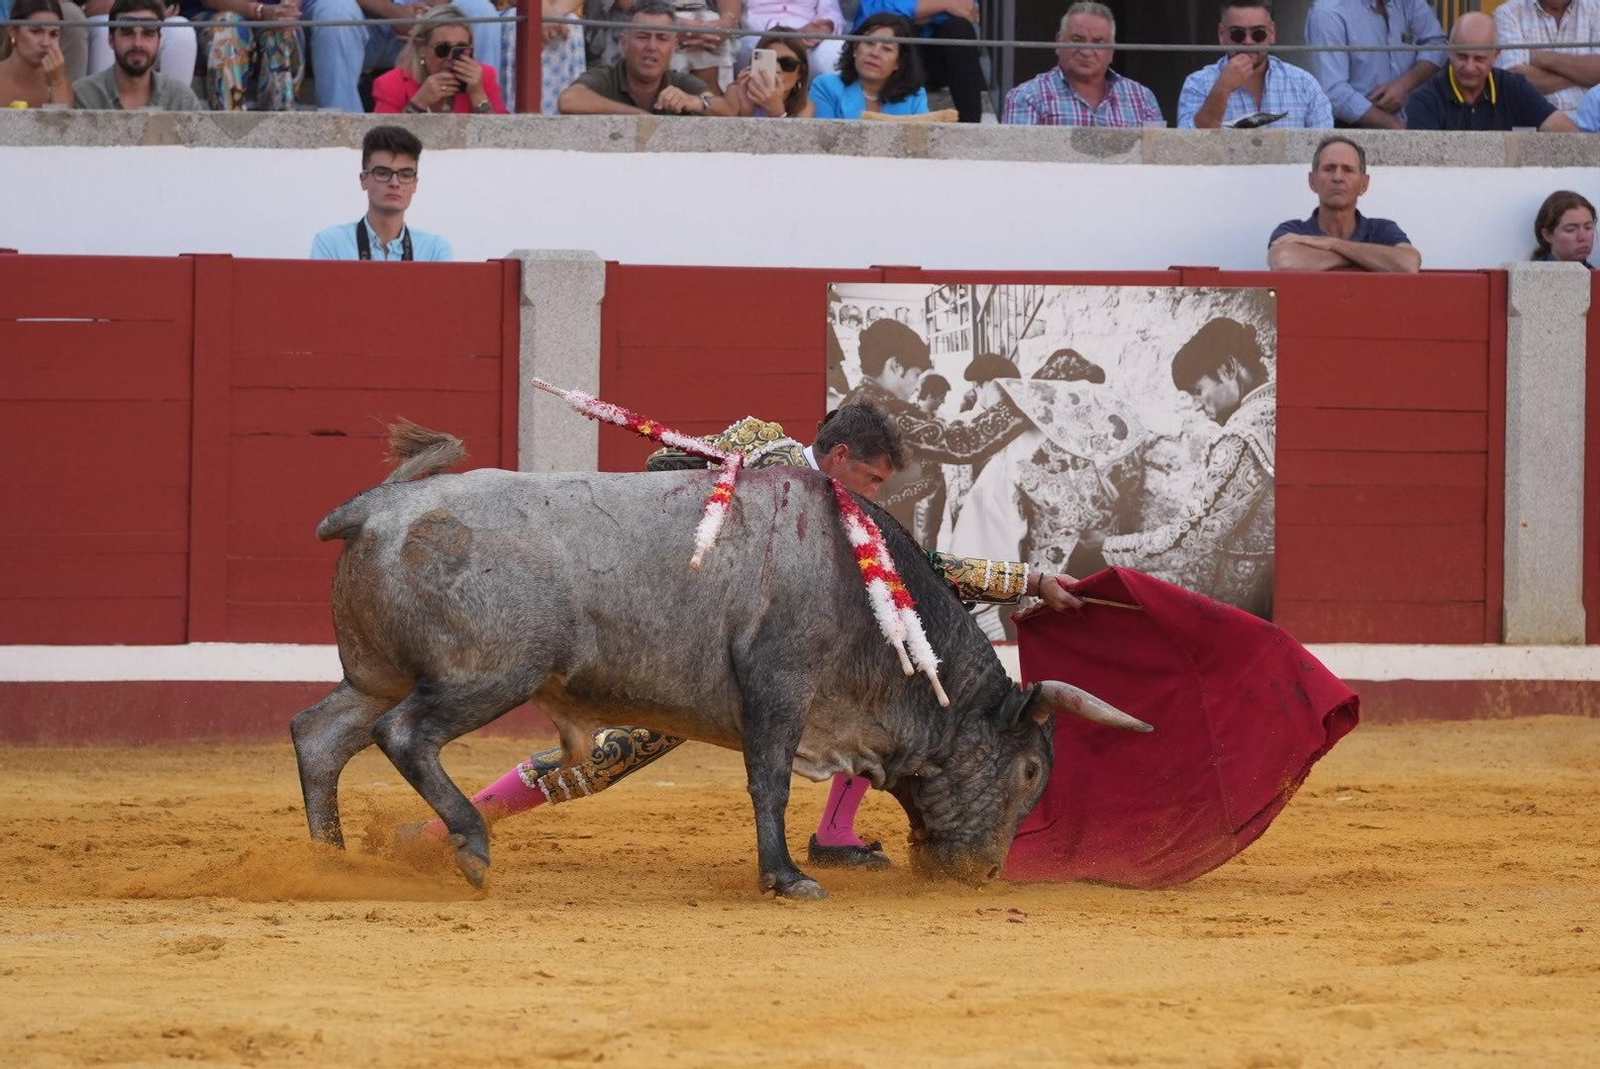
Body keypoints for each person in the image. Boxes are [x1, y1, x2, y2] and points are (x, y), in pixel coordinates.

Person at [407, 402, 1087, 870]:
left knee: (888, 692)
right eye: (872, 479)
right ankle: (449, 824)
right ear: (841, 456)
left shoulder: (844, 516)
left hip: (759, 649)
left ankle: (835, 830)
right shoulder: (761, 452)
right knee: (613, 752)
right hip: (691, 645)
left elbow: (927, 569)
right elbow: (656, 483)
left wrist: (1024, 578)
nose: (876, 496)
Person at [1095, 317, 1276, 620]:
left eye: (1197, 389)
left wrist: (1105, 546)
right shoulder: (1279, 409)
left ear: (1228, 369)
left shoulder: (1241, 436)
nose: (1195, 405)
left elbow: (1186, 542)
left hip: (1238, 610)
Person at [299, 0, 504, 114]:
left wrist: (431, 17)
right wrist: (394, 12)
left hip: (429, 20)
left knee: (482, 10)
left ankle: (479, 90)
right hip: (367, 21)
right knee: (335, 10)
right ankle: (342, 124)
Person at [1267, 136, 1420, 273]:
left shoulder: (1382, 229)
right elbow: (1282, 260)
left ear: (1364, 184)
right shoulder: (1293, 230)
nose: (1338, 177)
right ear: (1312, 181)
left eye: (1348, 170)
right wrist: (1366, 258)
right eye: (1329, 169)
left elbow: (1409, 263)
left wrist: (1331, 243)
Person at [1406, 12, 1578, 131]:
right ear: (1448, 51)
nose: (1469, 66)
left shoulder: (1515, 87)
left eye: (1479, 59)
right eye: (1462, 56)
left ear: (1496, 55)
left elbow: (1563, 130)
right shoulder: (1424, 100)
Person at [1002, 2, 1163, 127]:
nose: (1086, 51)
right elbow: (1020, 167)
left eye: (1098, 43)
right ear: (1058, 43)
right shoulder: (1027, 97)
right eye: (1077, 40)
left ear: (1112, 51)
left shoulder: (1142, 99)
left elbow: (1155, 161)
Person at [558, 1, 734, 115]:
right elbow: (569, 100)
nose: (652, 46)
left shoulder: (679, 81)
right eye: (642, 36)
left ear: (674, 46)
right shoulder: (607, 76)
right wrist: (637, 115)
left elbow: (726, 110)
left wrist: (695, 102)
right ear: (624, 43)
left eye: (662, 38)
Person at [1178, 0, 1333, 129]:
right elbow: (1188, 146)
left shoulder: (1305, 84)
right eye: (1237, 34)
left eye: (1258, 33)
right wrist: (1223, 88)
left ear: (1272, 33)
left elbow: (1325, 148)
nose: (1248, 41)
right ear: (1222, 35)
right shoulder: (1197, 83)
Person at [310, 125, 454, 262]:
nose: (394, 183)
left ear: (415, 184)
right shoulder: (331, 244)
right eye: (383, 173)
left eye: (405, 174)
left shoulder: (435, 250)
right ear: (363, 179)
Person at [1303, 0, 1446, 129]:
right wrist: (1395, 126)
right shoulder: (1328, 11)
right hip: (1355, 130)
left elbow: (1437, 44)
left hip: (1418, 119)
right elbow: (1333, 92)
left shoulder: (1409, 3)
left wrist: (1405, 84)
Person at [854, 0, 984, 122]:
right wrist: (945, 4)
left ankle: (971, 128)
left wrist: (920, 11)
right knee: (901, 25)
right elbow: (875, 12)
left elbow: (968, 10)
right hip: (889, 58)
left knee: (960, 28)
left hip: (933, 60)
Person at [372, 4, 506, 113]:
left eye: (460, 49)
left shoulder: (484, 77)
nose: (450, 58)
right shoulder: (390, 84)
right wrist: (419, 103)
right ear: (421, 48)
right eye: (442, 49)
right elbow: (385, 141)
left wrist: (478, 95)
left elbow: (503, 140)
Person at [72, 0, 202, 108]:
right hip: (97, 13)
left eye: (148, 33)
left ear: (159, 40)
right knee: (104, 26)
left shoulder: (184, 98)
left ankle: (169, 107)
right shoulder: (82, 95)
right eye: (127, 32)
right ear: (110, 40)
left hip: (163, 13)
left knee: (182, 31)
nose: (137, 44)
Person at [184, 0, 304, 111]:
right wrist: (259, 11)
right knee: (227, 29)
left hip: (270, 13)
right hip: (215, 13)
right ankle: (229, 121)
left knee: (284, 32)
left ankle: (282, 121)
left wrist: (287, 9)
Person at [809, 11, 927, 119]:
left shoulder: (914, 97)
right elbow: (824, 139)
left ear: (899, 62)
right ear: (855, 48)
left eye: (886, 49)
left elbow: (921, 140)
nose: (875, 53)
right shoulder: (825, 87)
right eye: (869, 43)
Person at [1494, 0, 1600, 118]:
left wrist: (1543, 58)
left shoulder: (1596, 8)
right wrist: (1585, 75)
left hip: (1593, 124)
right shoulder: (1508, 13)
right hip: (1534, 125)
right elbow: (1512, 80)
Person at [85, 0, 196, 87]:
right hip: (105, 15)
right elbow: (96, 7)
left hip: (158, 15)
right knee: (106, 28)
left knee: (181, 30)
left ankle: (174, 110)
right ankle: (102, 106)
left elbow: (173, 7)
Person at [739, 0, 844, 82]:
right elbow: (734, 12)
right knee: (752, 48)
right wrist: (782, 36)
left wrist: (822, 28)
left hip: (807, 43)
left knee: (836, 51)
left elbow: (832, 14)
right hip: (758, 36)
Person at [723, 29, 814, 118]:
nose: (777, 69)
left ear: (800, 73)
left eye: (788, 64)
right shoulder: (737, 92)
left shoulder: (804, 106)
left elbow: (795, 134)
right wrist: (746, 113)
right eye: (770, 62)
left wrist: (778, 113)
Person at [0, 0, 73, 107]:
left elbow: (61, 122)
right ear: (13, 32)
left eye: (54, 34)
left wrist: (57, 83)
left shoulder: (61, 84)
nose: (45, 42)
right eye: (35, 31)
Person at [664, 0, 737, 94]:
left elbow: (730, 18)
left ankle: (709, 103)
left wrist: (726, 24)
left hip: (707, 19)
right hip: (658, 17)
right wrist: (668, 25)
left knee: (710, 48)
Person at [1530, 190, 1596, 266]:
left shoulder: (1596, 275)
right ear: (1547, 235)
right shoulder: (1530, 275)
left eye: (1588, 228)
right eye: (1570, 230)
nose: (1583, 237)